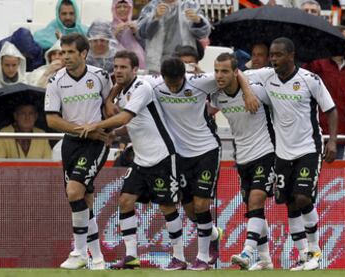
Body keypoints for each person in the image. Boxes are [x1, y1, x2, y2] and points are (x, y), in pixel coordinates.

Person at [141, 57, 258, 270]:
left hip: (206, 150)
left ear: (183, 77)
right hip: (178, 155)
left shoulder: (200, 81)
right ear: (163, 77)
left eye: (178, 83)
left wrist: (248, 93)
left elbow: (237, 73)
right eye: (170, 83)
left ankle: (202, 258)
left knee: (202, 205)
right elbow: (131, 79)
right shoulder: (154, 83)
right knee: (190, 210)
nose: (174, 87)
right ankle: (213, 235)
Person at [77, 50, 190, 270]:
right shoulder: (123, 91)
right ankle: (131, 257)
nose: (118, 71)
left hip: (162, 156)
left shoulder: (142, 88)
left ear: (135, 69)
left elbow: (126, 117)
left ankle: (180, 257)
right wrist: (115, 134)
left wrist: (98, 126)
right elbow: (133, 125)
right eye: (116, 67)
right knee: (125, 201)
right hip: (141, 159)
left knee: (167, 206)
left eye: (123, 67)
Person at [246, 37, 337, 271]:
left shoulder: (309, 80)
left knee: (303, 198)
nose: (273, 59)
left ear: (291, 55)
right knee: (290, 204)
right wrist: (247, 92)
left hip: (308, 148)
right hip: (282, 153)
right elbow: (239, 75)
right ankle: (303, 256)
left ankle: (316, 251)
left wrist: (333, 142)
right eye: (272, 55)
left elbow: (331, 109)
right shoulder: (266, 76)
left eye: (278, 55)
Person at [45, 33, 111, 270]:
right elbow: (52, 119)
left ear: (83, 53)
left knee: (74, 191)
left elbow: (109, 106)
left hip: (96, 143)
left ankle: (79, 251)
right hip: (72, 143)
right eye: (63, 52)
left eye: (70, 52)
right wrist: (81, 131)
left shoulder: (100, 76)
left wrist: (106, 129)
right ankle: (98, 258)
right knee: (84, 200)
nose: (65, 57)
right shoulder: (55, 81)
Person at [211, 53, 275, 271]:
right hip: (243, 156)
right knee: (253, 206)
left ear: (235, 72)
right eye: (217, 70)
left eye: (225, 71)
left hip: (267, 151)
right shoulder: (216, 95)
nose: (219, 75)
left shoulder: (257, 90)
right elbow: (203, 112)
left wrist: (247, 89)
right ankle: (265, 259)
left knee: (256, 200)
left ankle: (247, 252)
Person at [304, 25, 345, 159]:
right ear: (336, 41)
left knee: (333, 177)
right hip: (315, 135)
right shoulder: (316, 65)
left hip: (341, 135)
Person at [137, 0, 211, 73]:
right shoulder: (152, 6)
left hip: (187, 61)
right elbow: (141, 33)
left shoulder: (190, 5)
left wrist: (198, 21)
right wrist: (155, 18)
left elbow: (203, 34)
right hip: (157, 65)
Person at [112, 0, 146, 69]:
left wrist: (136, 33)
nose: (122, 9)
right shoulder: (108, 26)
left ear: (130, 8)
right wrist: (115, 33)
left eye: (125, 7)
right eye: (118, 7)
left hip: (138, 65)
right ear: (114, 9)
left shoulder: (137, 24)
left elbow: (148, 45)